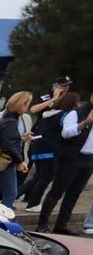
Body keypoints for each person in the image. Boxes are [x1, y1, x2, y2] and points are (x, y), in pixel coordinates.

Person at [34, 95, 93, 234]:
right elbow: (66, 133)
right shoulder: (75, 113)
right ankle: (42, 224)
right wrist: (85, 123)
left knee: (74, 194)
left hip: (88, 159)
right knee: (56, 191)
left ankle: (61, 225)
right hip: (71, 158)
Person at [21, 81, 72, 212]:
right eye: (62, 85)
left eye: (67, 86)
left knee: (39, 176)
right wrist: (55, 97)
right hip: (42, 140)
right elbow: (34, 109)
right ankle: (31, 202)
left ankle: (16, 196)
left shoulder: (61, 107)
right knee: (43, 176)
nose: (65, 88)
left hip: (43, 142)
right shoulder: (51, 102)